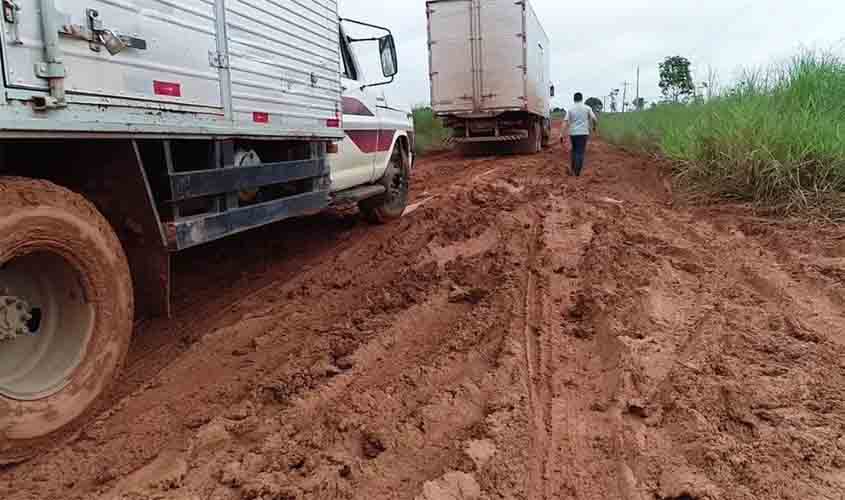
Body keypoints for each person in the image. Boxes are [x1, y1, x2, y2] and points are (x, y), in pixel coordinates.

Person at [563, 93, 598, 176]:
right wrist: (594, 127)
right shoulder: (587, 108)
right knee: (580, 152)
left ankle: (572, 169)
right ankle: (577, 172)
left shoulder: (570, 109)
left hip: (573, 133)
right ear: (582, 99)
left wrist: (561, 134)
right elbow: (594, 119)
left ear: (574, 99)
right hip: (583, 133)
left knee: (574, 151)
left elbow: (565, 122)